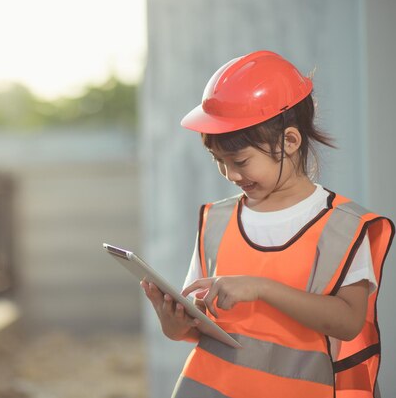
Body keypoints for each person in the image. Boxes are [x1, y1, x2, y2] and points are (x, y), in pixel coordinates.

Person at [141, 50, 394, 398]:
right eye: (219, 161)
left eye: (240, 160)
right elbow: (200, 324)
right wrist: (174, 324)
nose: (230, 174)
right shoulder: (216, 221)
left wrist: (261, 288)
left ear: (290, 141)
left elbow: (349, 322)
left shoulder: (342, 227)